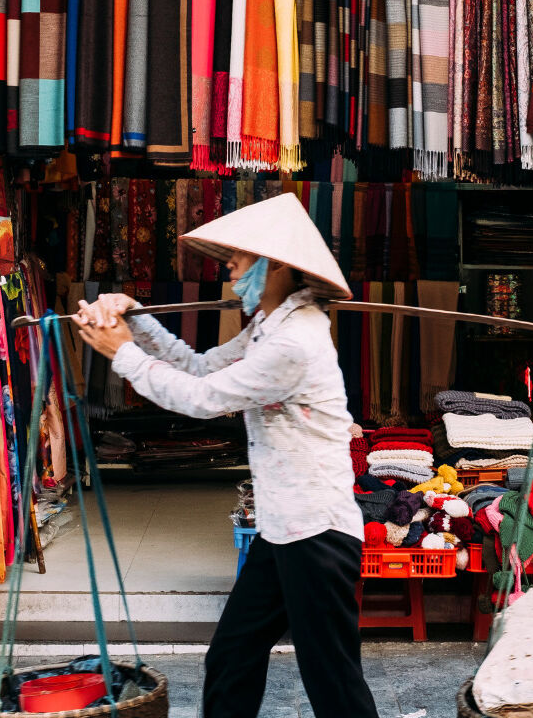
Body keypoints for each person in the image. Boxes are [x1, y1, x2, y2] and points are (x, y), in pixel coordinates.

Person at [74, 193, 377, 718]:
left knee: (334, 682)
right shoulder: (269, 327)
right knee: (233, 656)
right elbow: (198, 368)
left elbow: (201, 400)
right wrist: (136, 317)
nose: (230, 264)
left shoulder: (295, 341)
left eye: (241, 254)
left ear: (278, 264)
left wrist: (120, 351)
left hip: (317, 535)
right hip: (282, 528)